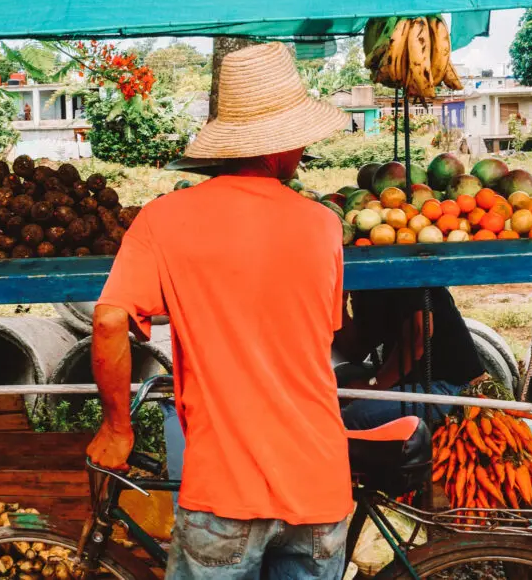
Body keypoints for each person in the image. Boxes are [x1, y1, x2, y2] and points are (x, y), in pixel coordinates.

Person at [87, 42, 353, 580]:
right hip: (318, 484)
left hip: (225, 488)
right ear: (283, 148)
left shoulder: (165, 218)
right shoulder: (324, 224)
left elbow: (110, 319)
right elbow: (317, 336)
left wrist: (118, 427)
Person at [335, 287, 487, 430]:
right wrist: (338, 307)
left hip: (451, 387)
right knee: (341, 376)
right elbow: (354, 352)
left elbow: (419, 333)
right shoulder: (364, 288)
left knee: (353, 415)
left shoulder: (400, 273)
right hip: (408, 379)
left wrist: (374, 386)